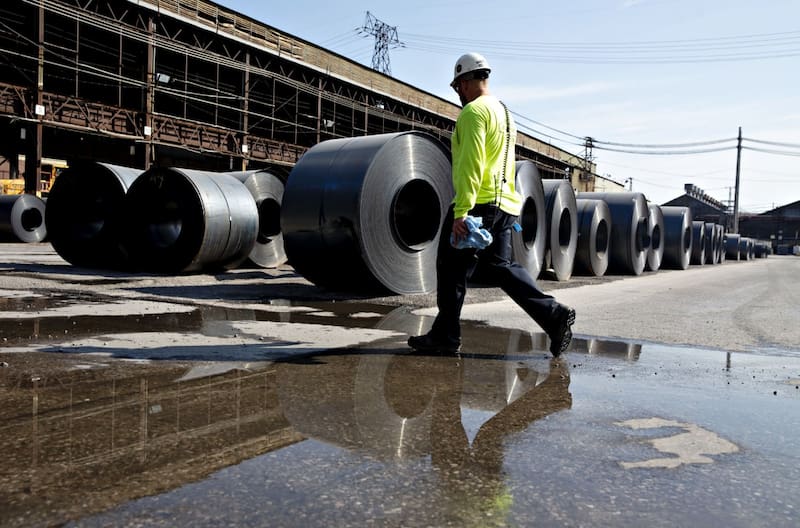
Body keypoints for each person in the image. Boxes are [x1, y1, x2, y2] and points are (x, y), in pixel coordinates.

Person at [408, 52, 575, 357]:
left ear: (468, 81)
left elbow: (472, 164)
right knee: (501, 267)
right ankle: (553, 315)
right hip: (504, 205)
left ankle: (445, 336)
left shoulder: (473, 113)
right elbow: (504, 160)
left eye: (458, 85)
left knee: (450, 268)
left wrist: (462, 212)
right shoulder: (503, 111)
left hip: (478, 205)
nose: (458, 92)